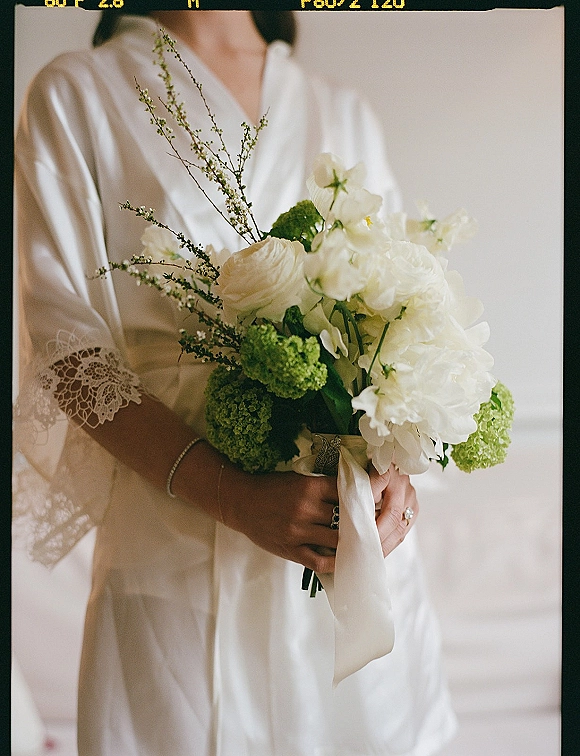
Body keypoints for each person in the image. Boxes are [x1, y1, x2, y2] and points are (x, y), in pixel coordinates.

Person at [14, 10, 457, 755]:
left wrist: (397, 477)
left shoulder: (338, 108)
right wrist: (232, 496)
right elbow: (67, 344)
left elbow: (404, 311)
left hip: (352, 549)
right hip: (174, 534)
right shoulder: (75, 94)